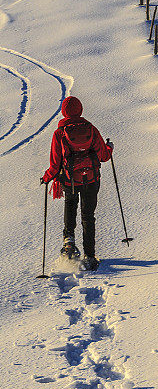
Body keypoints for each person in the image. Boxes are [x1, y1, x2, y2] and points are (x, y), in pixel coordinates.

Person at [41, 96, 113, 272]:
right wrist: (109, 147)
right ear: (80, 110)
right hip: (91, 179)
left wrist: (47, 177)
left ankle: (69, 245)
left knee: (70, 206)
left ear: (64, 112)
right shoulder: (91, 129)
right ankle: (89, 255)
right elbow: (103, 156)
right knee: (88, 216)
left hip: (69, 180)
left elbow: (55, 163)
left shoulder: (60, 133)